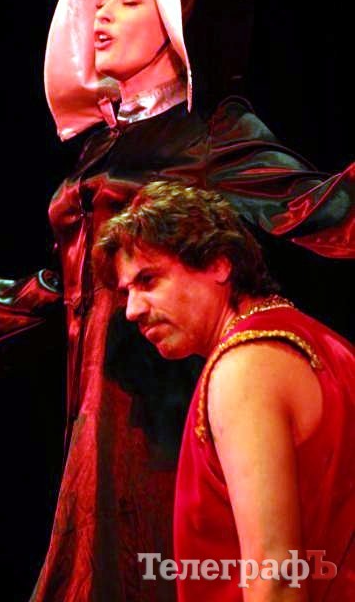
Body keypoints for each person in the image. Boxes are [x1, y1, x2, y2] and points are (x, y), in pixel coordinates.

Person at [0, 0, 354, 602]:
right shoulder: (101, 150)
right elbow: (65, 292)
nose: (103, 14)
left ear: (174, 25)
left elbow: (316, 206)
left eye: (129, 1)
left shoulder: (210, 132)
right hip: (98, 420)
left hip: (168, 416)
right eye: (99, 2)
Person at [94, 181, 354, 601]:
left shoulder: (243, 367)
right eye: (127, 293)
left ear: (218, 263)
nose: (132, 310)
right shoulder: (323, 343)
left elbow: (276, 577)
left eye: (149, 280)